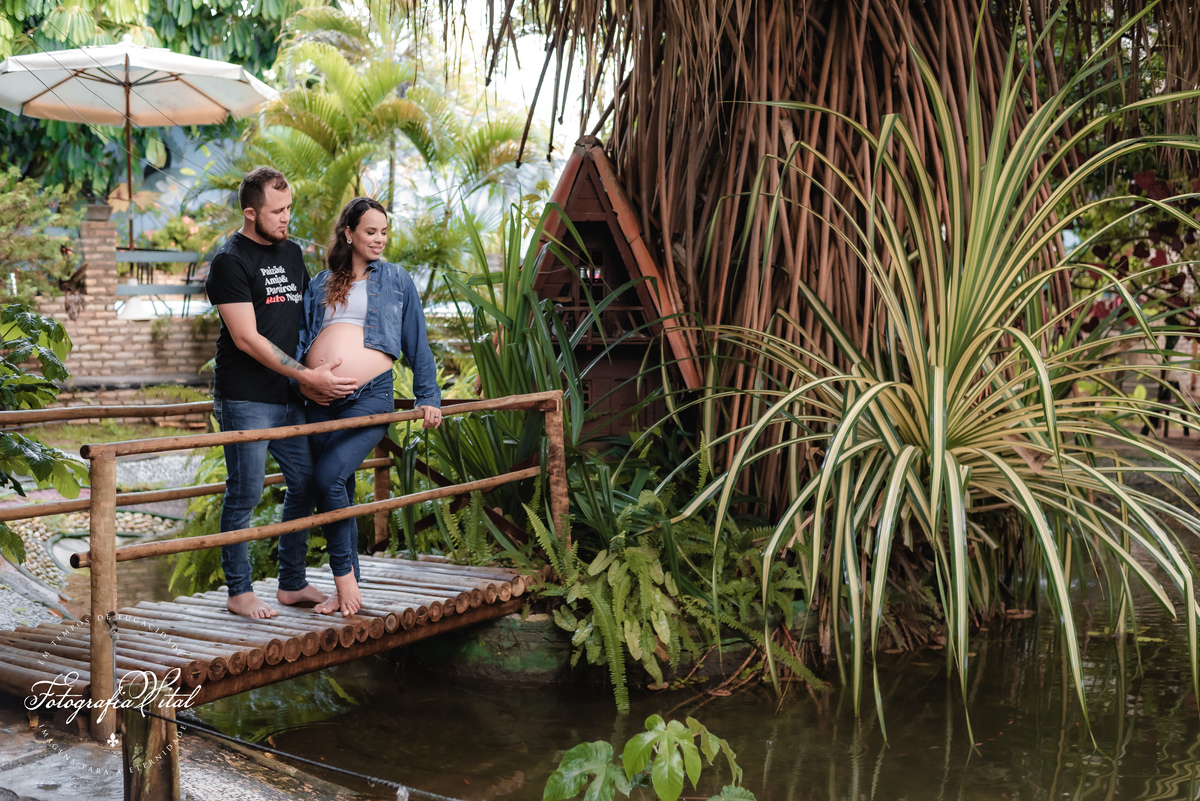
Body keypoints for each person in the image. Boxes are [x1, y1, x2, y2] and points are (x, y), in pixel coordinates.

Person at [205, 167, 359, 619]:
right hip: (246, 397)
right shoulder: (229, 262)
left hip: (290, 396)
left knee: (308, 480)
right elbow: (247, 338)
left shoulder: (292, 253)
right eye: (277, 211)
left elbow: (307, 319)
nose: (287, 217)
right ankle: (239, 590)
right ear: (251, 213)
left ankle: (291, 583)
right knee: (246, 492)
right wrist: (308, 378)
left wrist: (323, 368)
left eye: (289, 207)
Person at [297, 196, 442, 616]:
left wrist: (428, 397)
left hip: (370, 399)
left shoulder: (396, 279)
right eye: (370, 231)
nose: (379, 239)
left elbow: (417, 340)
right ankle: (347, 586)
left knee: (327, 478)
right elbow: (303, 339)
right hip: (319, 403)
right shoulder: (320, 283)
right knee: (334, 485)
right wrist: (305, 387)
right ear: (349, 233)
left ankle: (343, 580)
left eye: (383, 232)